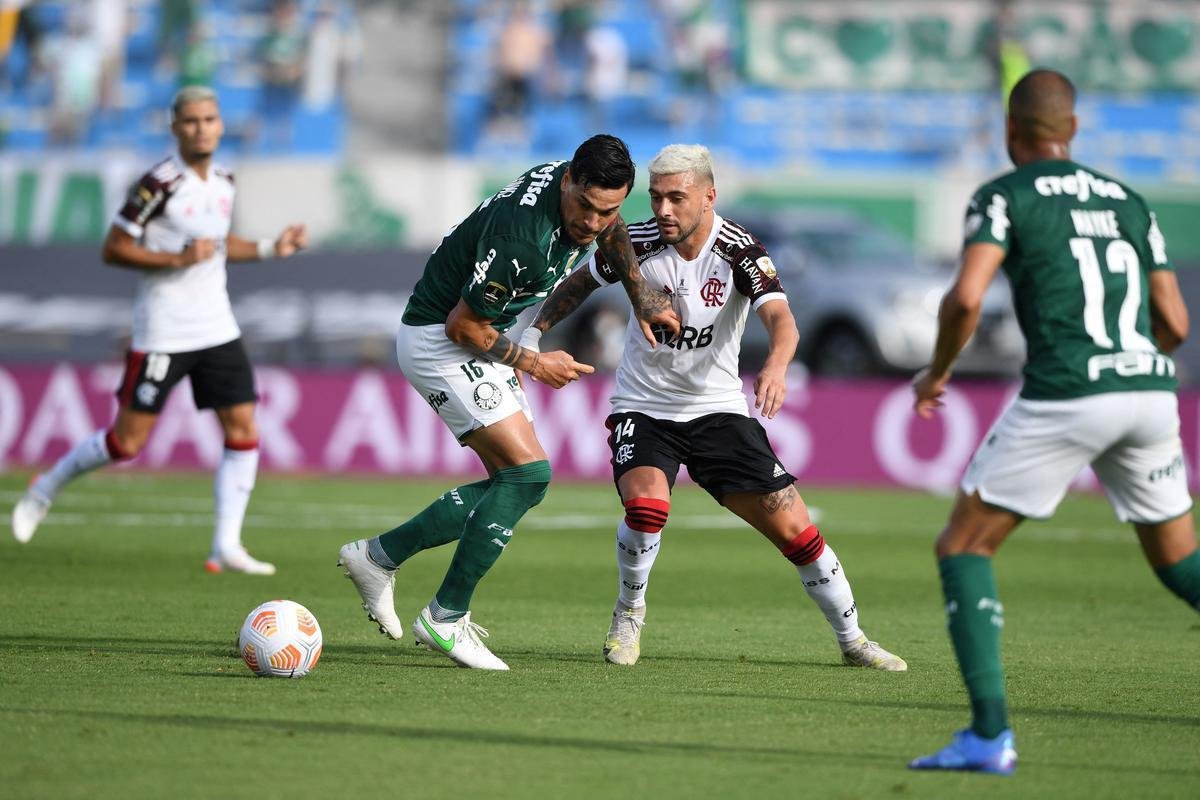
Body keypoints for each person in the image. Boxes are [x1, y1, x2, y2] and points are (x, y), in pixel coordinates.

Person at [909, 69, 1200, 776]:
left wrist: (939, 370)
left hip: (1069, 389)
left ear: (1013, 133)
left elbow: (966, 298)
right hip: (1150, 389)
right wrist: (1127, 369)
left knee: (964, 547)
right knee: (1180, 564)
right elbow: (1176, 322)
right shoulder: (1130, 202)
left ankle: (987, 737)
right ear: (1072, 132)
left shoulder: (1004, 196)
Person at [523, 144, 907, 671]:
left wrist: (775, 364)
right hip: (644, 406)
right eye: (656, 198)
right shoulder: (633, 242)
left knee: (796, 530)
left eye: (676, 198)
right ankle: (629, 613)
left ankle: (854, 640)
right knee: (647, 509)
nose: (662, 210)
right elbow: (579, 284)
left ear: (709, 197)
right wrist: (533, 336)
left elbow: (782, 320)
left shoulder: (739, 249)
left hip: (718, 410)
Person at [337, 134, 679, 671]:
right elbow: (463, 324)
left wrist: (642, 297)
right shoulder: (522, 238)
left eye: (607, 209)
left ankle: (378, 558)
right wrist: (537, 363)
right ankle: (445, 617)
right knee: (527, 476)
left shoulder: (582, 195)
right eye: (586, 207)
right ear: (568, 180)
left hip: (472, 334)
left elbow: (610, 232)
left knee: (515, 483)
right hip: (441, 341)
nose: (593, 223)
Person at [11, 85, 308, 575]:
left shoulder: (225, 180)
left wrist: (275, 247)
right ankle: (45, 488)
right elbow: (113, 247)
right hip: (164, 331)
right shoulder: (158, 184)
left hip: (217, 325)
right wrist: (174, 257)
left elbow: (216, 244)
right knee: (127, 443)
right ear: (175, 128)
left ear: (220, 125)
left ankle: (225, 545)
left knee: (243, 428)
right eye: (191, 121)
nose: (201, 128)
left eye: (209, 119)